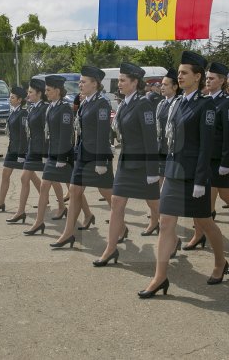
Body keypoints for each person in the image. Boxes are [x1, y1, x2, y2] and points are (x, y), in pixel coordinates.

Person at [138, 52, 227, 297]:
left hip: (193, 176)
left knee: (205, 222)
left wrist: (200, 180)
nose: (180, 75)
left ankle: (220, 262)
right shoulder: (176, 102)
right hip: (174, 171)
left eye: (185, 72)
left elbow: (206, 146)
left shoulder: (205, 105)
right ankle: (159, 277)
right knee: (166, 223)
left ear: (197, 77)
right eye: (179, 72)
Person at [94, 63, 160, 265]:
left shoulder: (144, 104)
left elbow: (151, 139)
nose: (119, 83)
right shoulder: (124, 104)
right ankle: (110, 249)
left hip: (142, 166)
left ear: (135, 82)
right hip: (126, 163)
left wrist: (152, 170)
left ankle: (172, 239)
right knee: (116, 203)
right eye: (119, 79)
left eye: (123, 80)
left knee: (156, 207)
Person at [54, 66, 113, 246]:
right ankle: (68, 233)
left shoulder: (102, 103)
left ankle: (122, 225)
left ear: (95, 84)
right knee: (74, 191)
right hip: (82, 154)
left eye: (83, 81)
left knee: (109, 194)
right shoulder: (85, 102)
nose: (80, 84)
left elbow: (103, 133)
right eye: (80, 81)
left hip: (97, 157)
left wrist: (101, 160)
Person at [184, 62, 229, 251]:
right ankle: (199, 234)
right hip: (203, 159)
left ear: (222, 81)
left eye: (212, 78)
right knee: (203, 201)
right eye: (206, 77)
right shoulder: (204, 100)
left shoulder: (227, 103)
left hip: (217, 160)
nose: (208, 81)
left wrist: (226, 161)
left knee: (223, 194)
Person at [24, 76, 73, 239]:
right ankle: (39, 222)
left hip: (62, 155)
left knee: (75, 190)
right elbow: (48, 133)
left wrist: (61, 158)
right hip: (52, 153)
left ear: (57, 91)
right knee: (45, 186)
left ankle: (87, 215)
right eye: (45, 90)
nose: (46, 93)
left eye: (48, 90)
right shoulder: (51, 107)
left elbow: (66, 135)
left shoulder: (64, 108)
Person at [17, 79, 59, 228]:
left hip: (42, 150)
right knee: (24, 178)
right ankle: (20, 211)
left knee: (53, 180)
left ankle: (62, 206)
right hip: (32, 148)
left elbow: (46, 132)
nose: (28, 95)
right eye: (28, 92)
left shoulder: (44, 109)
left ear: (39, 94)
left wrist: (45, 154)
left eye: (30, 92)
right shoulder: (33, 107)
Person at [0, 86, 29, 213]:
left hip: (20, 150)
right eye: (10, 97)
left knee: (31, 176)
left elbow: (23, 135)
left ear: (20, 100)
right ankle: (1, 202)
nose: (10, 99)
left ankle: (48, 198)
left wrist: (22, 153)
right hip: (12, 149)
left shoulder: (23, 113)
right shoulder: (14, 111)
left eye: (12, 97)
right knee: (5, 174)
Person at [152, 68, 181, 232]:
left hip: (173, 151)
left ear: (175, 86)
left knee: (166, 190)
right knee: (158, 187)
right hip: (160, 149)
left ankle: (165, 222)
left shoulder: (179, 103)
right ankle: (158, 220)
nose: (161, 87)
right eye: (160, 84)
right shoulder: (162, 103)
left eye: (165, 84)